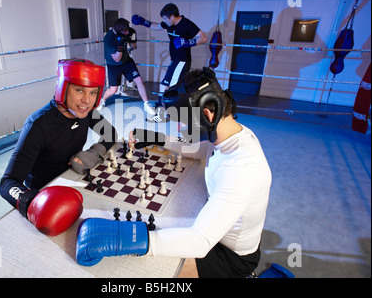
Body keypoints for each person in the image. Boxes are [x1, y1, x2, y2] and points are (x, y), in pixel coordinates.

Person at [75, 67, 272, 278]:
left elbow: (199, 241)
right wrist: (157, 138)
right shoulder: (231, 135)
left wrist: (128, 237)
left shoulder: (241, 169)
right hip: (219, 233)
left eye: (184, 122)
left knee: (147, 270)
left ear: (207, 114)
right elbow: (203, 150)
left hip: (230, 256)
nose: (179, 129)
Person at [0, 59, 118, 210]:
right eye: (79, 90)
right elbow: (8, 182)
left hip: (74, 179)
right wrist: (33, 203)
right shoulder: (38, 125)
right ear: (63, 88)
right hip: (45, 192)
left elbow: (110, 133)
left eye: (93, 92)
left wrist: (93, 153)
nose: (87, 100)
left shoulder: (86, 112)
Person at [132, 3, 208, 122]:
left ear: (172, 16)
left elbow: (203, 37)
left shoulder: (186, 24)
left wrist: (187, 42)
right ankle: (168, 113)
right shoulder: (169, 24)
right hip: (176, 61)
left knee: (165, 86)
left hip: (182, 61)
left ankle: (162, 114)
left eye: (165, 19)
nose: (164, 21)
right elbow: (157, 26)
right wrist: (143, 22)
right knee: (170, 87)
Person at [98, 18, 156, 116]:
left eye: (128, 29)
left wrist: (133, 38)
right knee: (113, 89)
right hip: (114, 65)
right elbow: (116, 59)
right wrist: (120, 46)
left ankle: (146, 104)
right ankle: (102, 101)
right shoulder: (109, 38)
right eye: (125, 31)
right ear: (119, 30)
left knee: (139, 81)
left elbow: (133, 47)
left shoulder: (126, 32)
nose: (127, 32)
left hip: (126, 61)